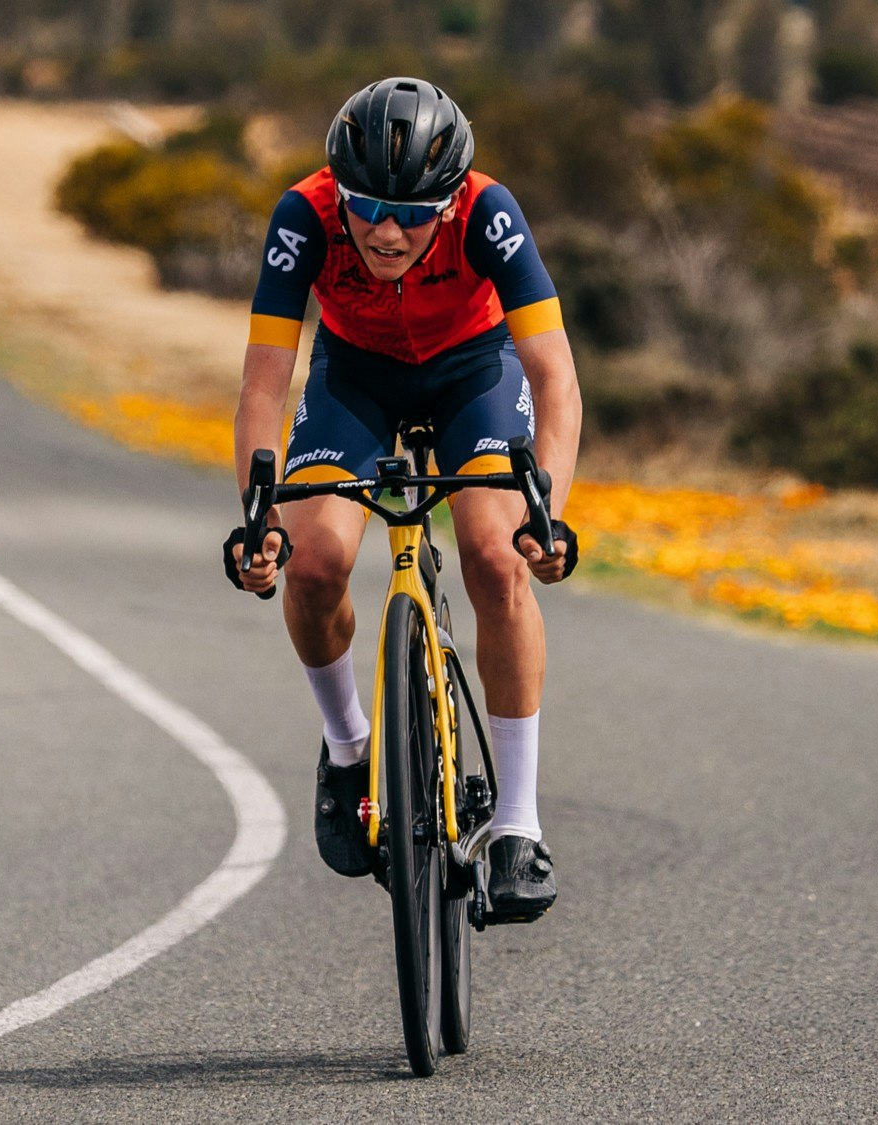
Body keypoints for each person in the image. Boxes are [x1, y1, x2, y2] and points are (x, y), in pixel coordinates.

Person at [225, 77, 582, 919]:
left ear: (451, 199)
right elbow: (262, 386)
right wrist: (257, 518)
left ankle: (517, 825)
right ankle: (349, 749)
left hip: (473, 371)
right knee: (313, 564)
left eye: (415, 213)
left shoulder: (491, 212)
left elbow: (554, 375)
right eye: (368, 206)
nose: (387, 230)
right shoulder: (303, 218)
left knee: (497, 558)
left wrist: (549, 509)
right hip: (356, 377)